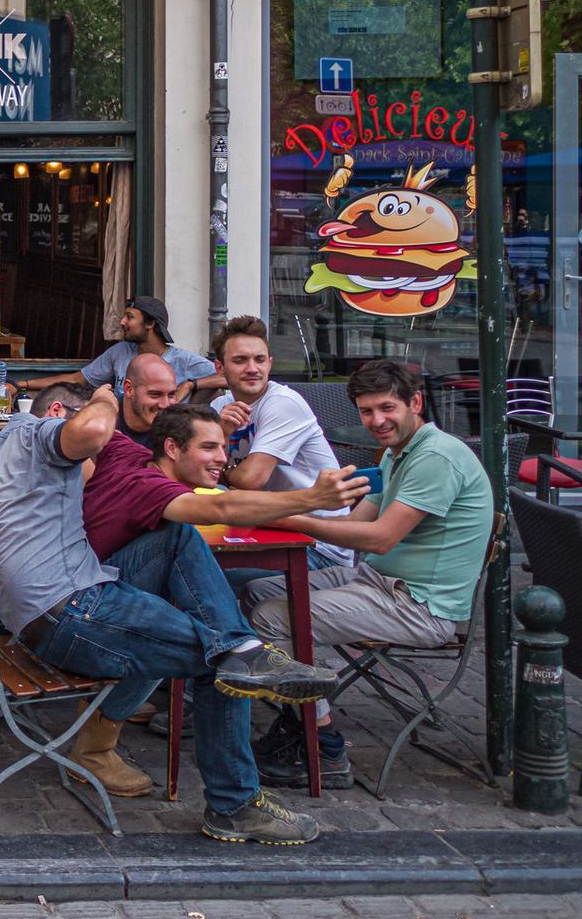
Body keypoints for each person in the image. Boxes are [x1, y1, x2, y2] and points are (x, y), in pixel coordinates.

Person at [0, 383, 337, 844]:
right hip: (70, 613)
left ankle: (242, 645)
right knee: (224, 665)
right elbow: (101, 432)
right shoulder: (40, 437)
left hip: (46, 608)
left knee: (175, 538)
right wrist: (105, 398)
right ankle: (234, 804)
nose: (92, 453)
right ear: (59, 415)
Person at [73, 405, 370, 796]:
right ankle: (99, 748)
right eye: (209, 447)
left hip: (80, 589)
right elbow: (222, 507)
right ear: (172, 448)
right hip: (86, 610)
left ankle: (236, 651)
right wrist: (312, 497)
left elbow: (98, 423)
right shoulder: (152, 486)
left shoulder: (128, 452)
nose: (222, 458)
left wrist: (104, 398)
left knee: (193, 630)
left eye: (224, 447)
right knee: (187, 619)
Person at [244, 359, 491, 789]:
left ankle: (321, 743)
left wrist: (289, 519)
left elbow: (378, 538)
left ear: (415, 403)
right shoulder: (397, 452)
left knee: (271, 617)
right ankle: (298, 714)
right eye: (366, 411)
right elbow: (355, 522)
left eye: (386, 408)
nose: (376, 421)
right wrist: (291, 507)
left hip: (418, 605)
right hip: (376, 580)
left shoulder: (435, 456)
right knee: (256, 591)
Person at [209, 316, 353, 581]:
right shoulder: (220, 408)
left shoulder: (283, 403)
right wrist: (224, 434)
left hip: (318, 545)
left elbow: (251, 479)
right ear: (220, 367)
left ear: (270, 364)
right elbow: (200, 476)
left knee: (211, 575)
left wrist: (224, 470)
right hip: (265, 528)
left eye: (260, 360)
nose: (252, 368)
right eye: (240, 360)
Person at [18, 296, 221, 402]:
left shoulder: (183, 360)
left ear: (150, 323)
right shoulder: (121, 351)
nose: (122, 322)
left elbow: (229, 376)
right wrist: (23, 384)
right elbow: (77, 379)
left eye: (130, 317)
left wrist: (190, 385)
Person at [116, 352, 182, 446]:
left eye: (171, 394)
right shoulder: (103, 420)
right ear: (129, 389)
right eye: (155, 394)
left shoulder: (180, 429)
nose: (165, 405)